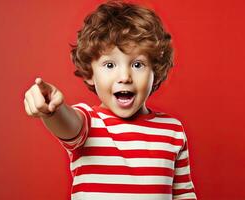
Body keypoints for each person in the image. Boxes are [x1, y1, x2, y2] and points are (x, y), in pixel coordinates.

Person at [23, 1, 197, 199]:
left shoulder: (172, 130)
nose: (124, 76)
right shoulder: (89, 123)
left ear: (155, 72)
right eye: (109, 64)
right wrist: (54, 111)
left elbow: (184, 195)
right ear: (89, 72)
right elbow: (68, 124)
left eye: (138, 64)